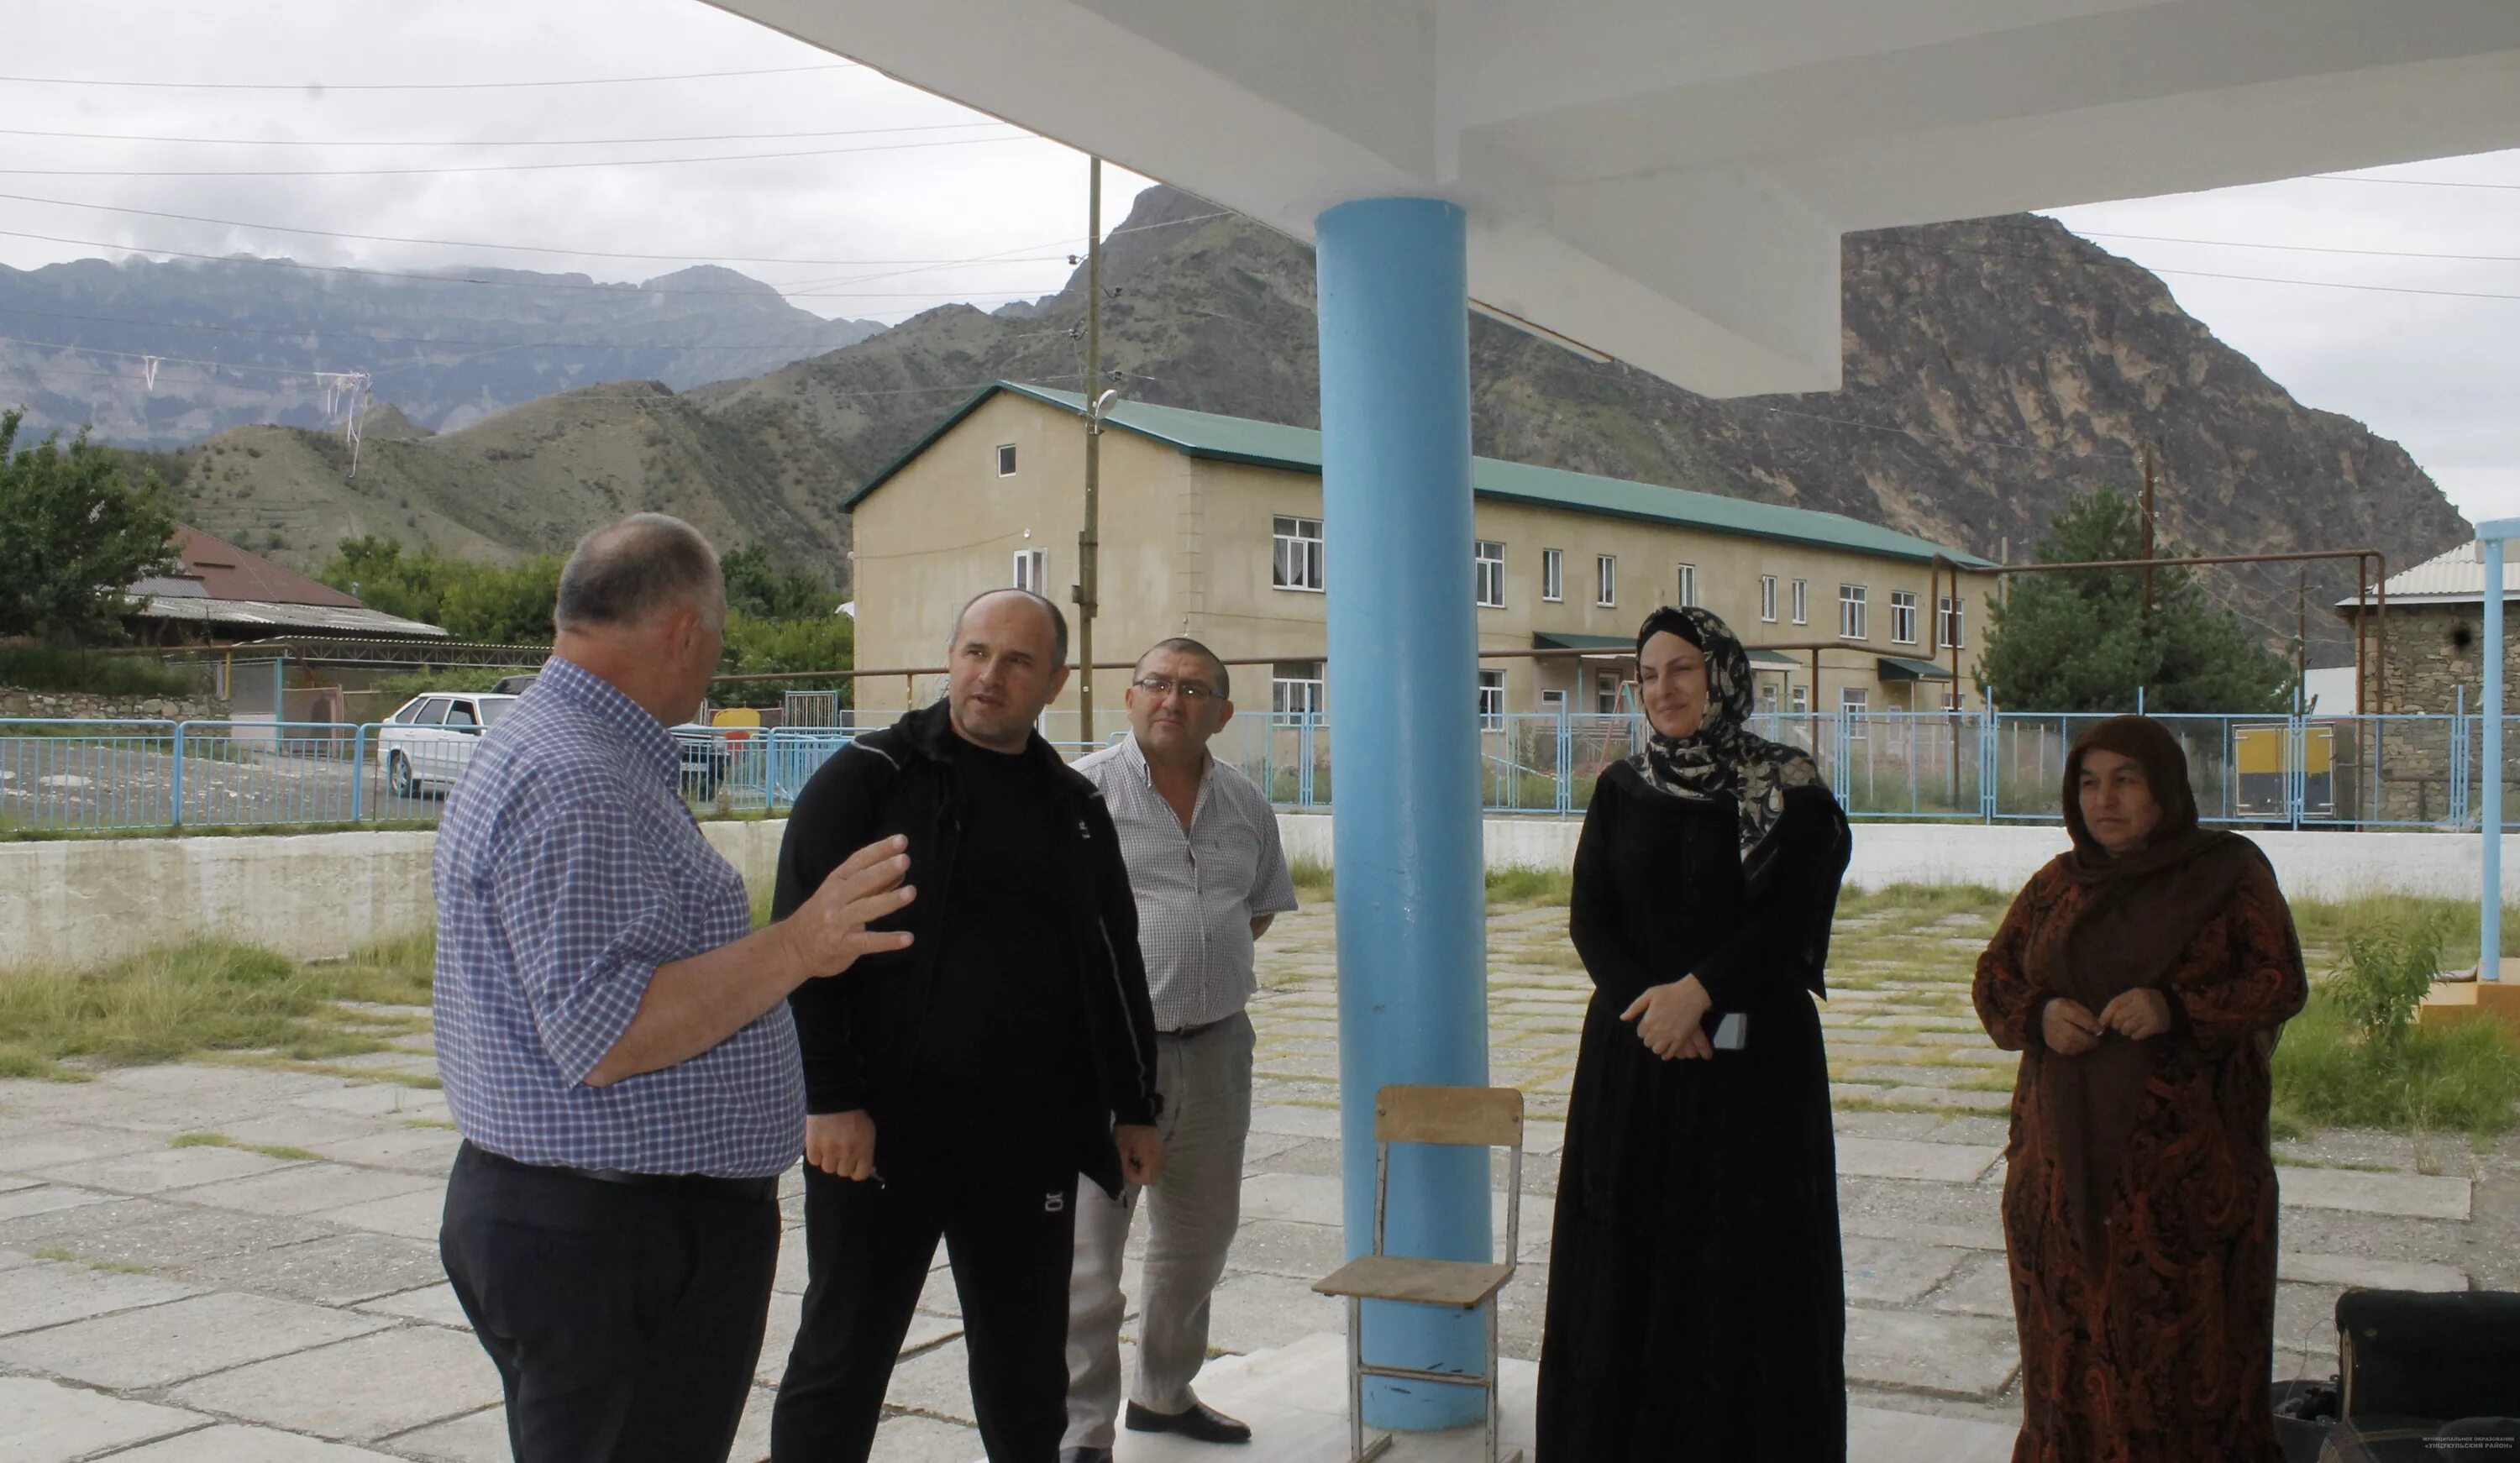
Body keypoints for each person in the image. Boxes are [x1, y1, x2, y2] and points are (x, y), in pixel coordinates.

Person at [433, 513, 916, 1463]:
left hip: (598, 1225)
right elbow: (609, 1032)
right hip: (614, 1242)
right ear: (685, 631)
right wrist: (802, 942)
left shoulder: (564, 747)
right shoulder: (575, 777)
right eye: (719, 640)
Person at [770, 588, 1166, 1463]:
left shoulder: (1073, 807)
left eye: (1017, 660)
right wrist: (831, 1097)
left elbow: (1112, 960)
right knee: (842, 1357)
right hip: (880, 1134)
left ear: (1057, 679)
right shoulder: (867, 778)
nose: (990, 674)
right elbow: (800, 949)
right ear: (948, 658)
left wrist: (1135, 1101)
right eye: (975, 651)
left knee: (1028, 1372)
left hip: (1023, 1139)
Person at [1535, 605, 1854, 1462]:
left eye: (1681, 668)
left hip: (1752, 1079)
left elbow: (1793, 917)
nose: (1663, 687)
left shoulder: (1791, 786)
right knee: (1629, 1271)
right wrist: (1653, 1004)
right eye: (1648, 673)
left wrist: (1700, 991)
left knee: (1741, 1271)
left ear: (1721, 674)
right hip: (1636, 1063)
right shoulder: (1622, 786)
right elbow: (1591, 917)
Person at [1972, 716, 2307, 1463]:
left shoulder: (2227, 874)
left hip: (2189, 1188)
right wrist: (2041, 1012)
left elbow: (2280, 981)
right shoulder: (2058, 885)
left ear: (2165, 789)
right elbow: (1994, 978)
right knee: (2070, 1353)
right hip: (2060, 1179)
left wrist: (2177, 1008)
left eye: (2126, 779)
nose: (2105, 799)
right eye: (2089, 782)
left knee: (2187, 1364)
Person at [1061, 638, 1298, 1463]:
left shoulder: (1244, 803)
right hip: (1111, 1057)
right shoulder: (1081, 792)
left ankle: (1162, 1392)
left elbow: (1255, 910)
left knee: (1198, 1234)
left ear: (1223, 713)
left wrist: (1197, 959)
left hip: (1220, 1045)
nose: (1173, 698)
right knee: (1092, 1250)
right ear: (1129, 697)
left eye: (1194, 688)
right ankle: (1077, 1433)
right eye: (1157, 683)